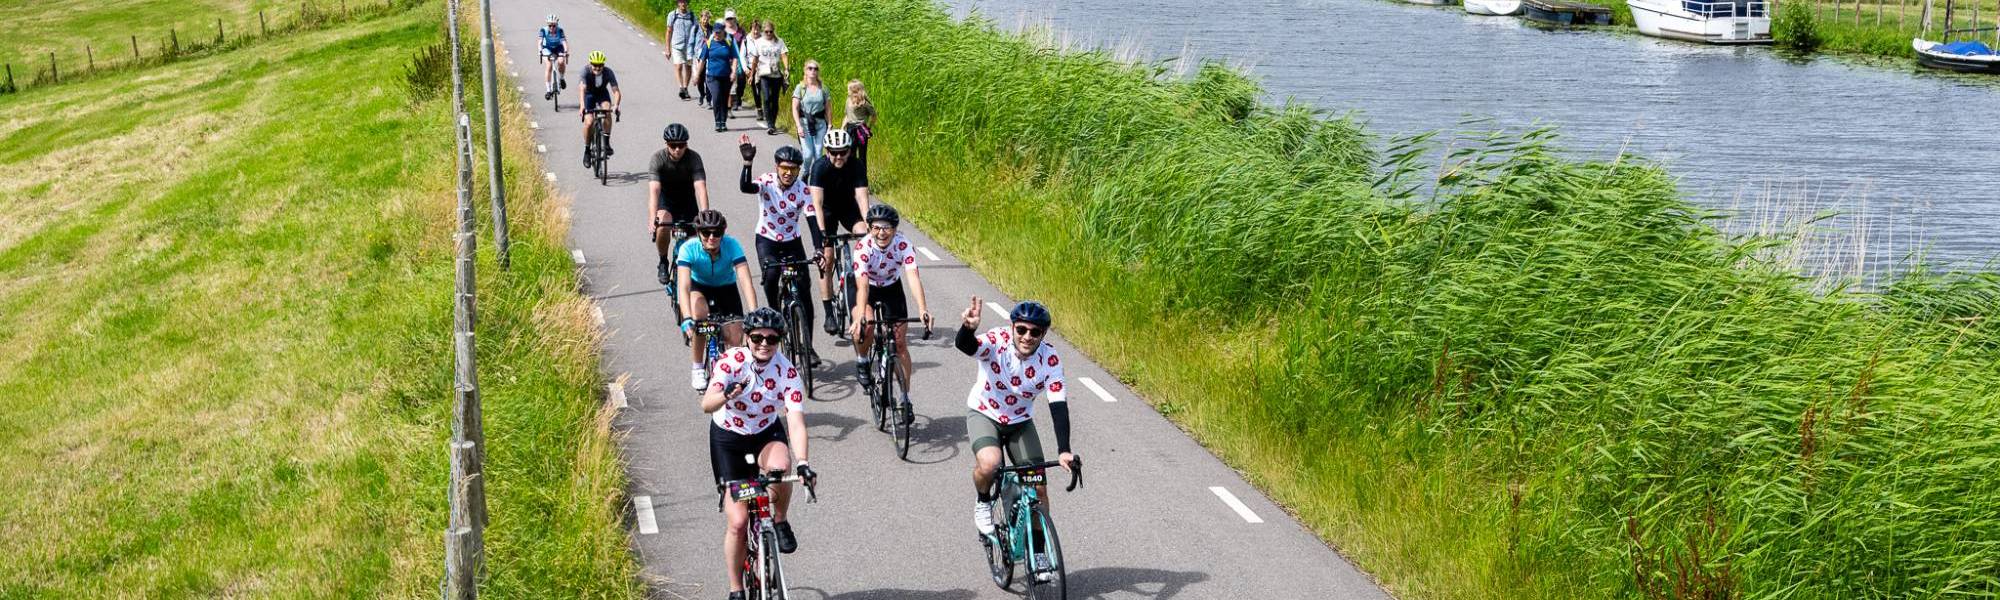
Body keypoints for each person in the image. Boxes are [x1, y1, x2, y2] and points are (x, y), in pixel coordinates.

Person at [703, 307, 816, 600]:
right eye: (757, 338)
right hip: (729, 437)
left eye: (772, 338)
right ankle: (736, 588)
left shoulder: (787, 372)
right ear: (747, 337)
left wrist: (804, 463)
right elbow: (706, 404)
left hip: (765, 432)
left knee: (781, 466)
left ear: (779, 340)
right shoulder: (731, 362)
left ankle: (779, 520)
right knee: (738, 522)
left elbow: (795, 422)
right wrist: (726, 394)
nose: (764, 343)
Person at [957, 298, 1073, 571]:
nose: (1027, 337)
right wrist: (967, 329)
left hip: (1019, 422)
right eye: (1021, 329)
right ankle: (983, 502)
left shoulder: (1050, 359)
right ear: (1012, 327)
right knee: (990, 463)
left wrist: (1064, 450)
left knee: (1038, 489)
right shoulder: (997, 341)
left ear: (1043, 334)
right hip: (985, 413)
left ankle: (1039, 554)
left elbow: (1058, 405)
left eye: (1035, 332)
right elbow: (967, 346)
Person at [845, 204, 933, 421]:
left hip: (891, 288)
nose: (881, 233)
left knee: (900, 343)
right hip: (866, 288)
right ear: (869, 228)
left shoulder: (903, 244)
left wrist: (923, 309)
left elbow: (913, 277)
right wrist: (861, 316)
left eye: (886, 228)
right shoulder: (863, 248)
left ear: (895, 229)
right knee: (867, 326)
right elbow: (862, 286)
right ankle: (862, 359)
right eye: (876, 228)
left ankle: (905, 398)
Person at [738, 136, 819, 361]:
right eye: (784, 168)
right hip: (767, 239)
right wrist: (747, 163)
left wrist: (819, 249)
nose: (788, 173)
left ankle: (808, 346)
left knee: (805, 292)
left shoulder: (803, 190)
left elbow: (813, 221)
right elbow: (746, 187)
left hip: (792, 242)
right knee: (772, 274)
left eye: (793, 169)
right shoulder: (767, 181)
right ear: (777, 167)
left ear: (799, 170)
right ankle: (775, 312)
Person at [679, 210, 760, 389]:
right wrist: (686, 317)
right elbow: (683, 287)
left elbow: (746, 281)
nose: (711, 237)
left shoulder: (732, 245)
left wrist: (753, 313)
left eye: (717, 233)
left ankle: (732, 371)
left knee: (735, 338)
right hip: (699, 287)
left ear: (723, 233)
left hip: (726, 288)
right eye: (706, 232)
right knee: (700, 317)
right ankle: (697, 367)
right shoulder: (688, 248)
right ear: (698, 233)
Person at [808, 129, 869, 335]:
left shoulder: (856, 165)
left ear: (849, 151)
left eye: (843, 152)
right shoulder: (819, 167)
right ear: (827, 151)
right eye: (834, 152)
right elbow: (817, 204)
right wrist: (822, 233)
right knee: (827, 258)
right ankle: (829, 314)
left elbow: (862, 199)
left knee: (863, 233)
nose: (839, 156)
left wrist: (868, 227)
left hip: (848, 208)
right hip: (827, 211)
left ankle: (860, 271)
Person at [650, 124, 709, 284]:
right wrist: (652, 218)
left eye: (681, 145)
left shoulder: (694, 158)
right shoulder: (658, 159)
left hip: (687, 201)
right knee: (663, 225)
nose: (677, 149)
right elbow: (654, 190)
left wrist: (705, 216)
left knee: (697, 242)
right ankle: (663, 261)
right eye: (673, 145)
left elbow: (700, 187)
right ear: (666, 144)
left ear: (686, 144)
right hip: (666, 201)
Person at [746, 20, 790, 135]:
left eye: (771, 31)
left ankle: (773, 122)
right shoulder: (759, 42)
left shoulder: (779, 41)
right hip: (764, 74)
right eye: (766, 32)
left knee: (774, 100)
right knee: (766, 98)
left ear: (773, 31)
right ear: (763, 31)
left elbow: (784, 55)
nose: (769, 34)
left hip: (776, 74)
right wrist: (752, 75)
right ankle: (770, 124)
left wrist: (786, 69)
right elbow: (755, 59)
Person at [577, 51, 622, 166]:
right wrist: (582, 106)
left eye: (600, 65)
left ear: (603, 65)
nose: (597, 68)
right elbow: (582, 89)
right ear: (590, 64)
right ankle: (587, 150)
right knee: (589, 122)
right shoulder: (585, 71)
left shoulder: (608, 72)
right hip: (589, 95)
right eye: (595, 65)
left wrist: (616, 105)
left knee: (607, 110)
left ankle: (606, 143)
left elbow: (616, 91)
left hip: (602, 94)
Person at [695, 25, 738, 132]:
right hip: (712, 77)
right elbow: (702, 61)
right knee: (717, 96)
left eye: (719, 32)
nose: (717, 34)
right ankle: (717, 122)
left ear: (723, 32)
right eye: (715, 32)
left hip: (726, 77)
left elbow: (734, 58)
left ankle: (723, 122)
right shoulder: (708, 44)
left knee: (724, 99)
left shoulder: (728, 44)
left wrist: (733, 72)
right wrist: (697, 75)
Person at [790, 60, 831, 172]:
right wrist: (798, 126)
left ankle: (816, 177)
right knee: (808, 154)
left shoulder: (823, 88)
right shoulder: (800, 88)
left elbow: (828, 108)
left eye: (815, 69)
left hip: (820, 124)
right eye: (810, 68)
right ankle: (805, 172)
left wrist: (830, 125)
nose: (813, 71)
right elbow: (795, 108)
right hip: (805, 124)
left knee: (818, 154)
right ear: (805, 71)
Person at [666, 0, 700, 101]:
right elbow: (669, 31)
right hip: (677, 45)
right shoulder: (672, 15)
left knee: (688, 67)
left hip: (689, 47)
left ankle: (685, 88)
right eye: (681, 2)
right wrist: (667, 48)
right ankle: (681, 87)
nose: (683, 4)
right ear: (678, 3)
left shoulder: (692, 16)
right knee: (679, 66)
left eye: (685, 2)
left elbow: (697, 31)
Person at [842, 79, 876, 169]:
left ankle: (862, 175)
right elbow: (847, 115)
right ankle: (851, 173)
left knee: (862, 154)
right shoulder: (848, 100)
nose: (848, 91)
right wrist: (842, 128)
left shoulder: (865, 104)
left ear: (856, 91)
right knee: (850, 153)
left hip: (861, 130)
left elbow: (874, 115)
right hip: (850, 128)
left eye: (849, 89)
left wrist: (869, 127)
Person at [537, 14, 569, 100]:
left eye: (554, 25)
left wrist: (566, 51)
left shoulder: (560, 30)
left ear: (557, 25)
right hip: (547, 49)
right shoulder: (543, 30)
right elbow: (539, 42)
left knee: (561, 62)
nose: (552, 27)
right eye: (550, 25)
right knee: (549, 65)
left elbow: (564, 42)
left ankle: (561, 78)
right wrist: (540, 51)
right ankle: (548, 90)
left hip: (558, 48)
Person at [694, 9, 715, 106]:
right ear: (700, 18)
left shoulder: (712, 29)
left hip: (709, 56)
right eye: (704, 18)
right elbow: (691, 41)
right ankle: (702, 94)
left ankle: (709, 100)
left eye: (707, 19)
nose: (705, 21)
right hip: (698, 56)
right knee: (699, 78)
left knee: (708, 79)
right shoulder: (696, 28)